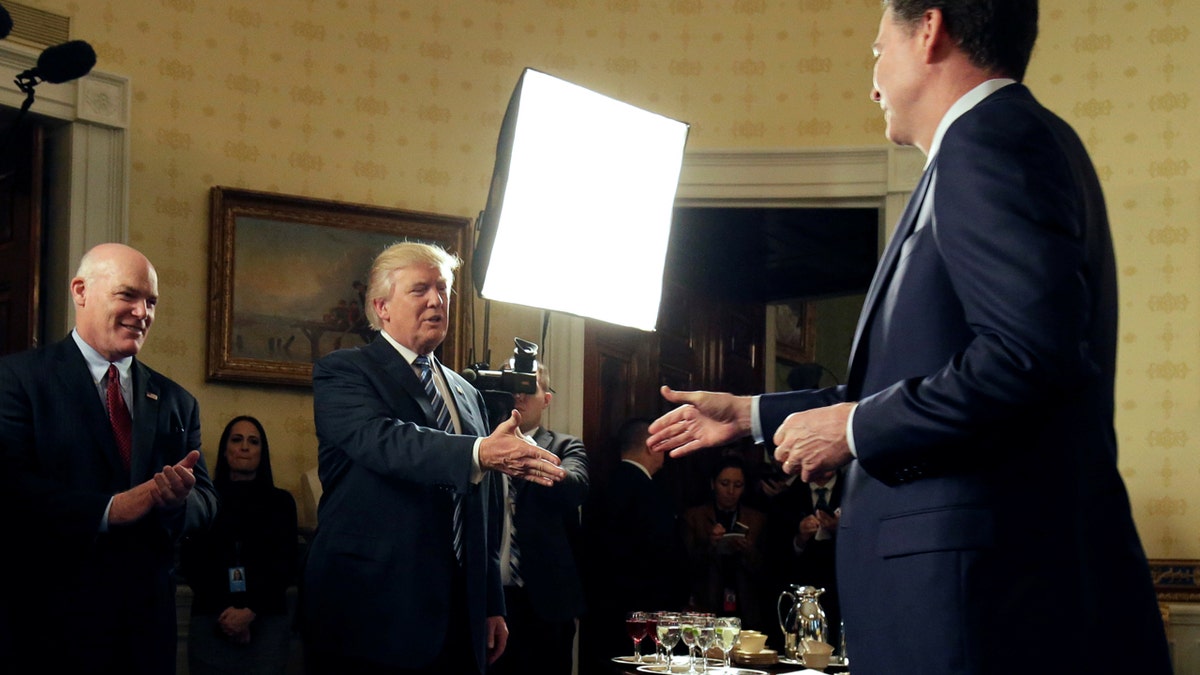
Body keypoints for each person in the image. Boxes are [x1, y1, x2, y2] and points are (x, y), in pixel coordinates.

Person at [646, 2, 1172, 673]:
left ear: (930, 29)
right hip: (986, 593)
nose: (872, 83)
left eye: (875, 52)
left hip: (974, 603)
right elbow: (928, 374)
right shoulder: (1011, 140)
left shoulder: (988, 142)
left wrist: (857, 428)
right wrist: (750, 413)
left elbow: (1026, 357)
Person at [301, 241, 567, 674]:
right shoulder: (345, 372)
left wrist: (489, 602)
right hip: (371, 612)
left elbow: (481, 504)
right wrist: (481, 451)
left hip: (459, 617)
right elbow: (385, 441)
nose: (436, 300)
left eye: (443, 290)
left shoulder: (465, 391)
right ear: (382, 307)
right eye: (419, 289)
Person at [0, 242, 218, 674]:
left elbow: (207, 500)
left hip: (145, 632)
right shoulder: (18, 380)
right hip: (46, 626)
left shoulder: (177, 401)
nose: (143, 313)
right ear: (81, 291)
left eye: (151, 301)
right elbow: (12, 488)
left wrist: (177, 501)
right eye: (128, 296)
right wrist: (111, 509)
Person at [489, 364, 589, 675]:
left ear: (545, 399)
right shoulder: (483, 447)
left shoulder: (565, 445)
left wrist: (526, 450)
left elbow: (575, 489)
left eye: (527, 387)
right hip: (492, 598)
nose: (517, 393)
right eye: (511, 385)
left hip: (547, 600)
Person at [180, 415, 299, 675]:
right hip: (212, 618)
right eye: (237, 439)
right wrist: (228, 614)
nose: (245, 447)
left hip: (266, 620)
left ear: (261, 451)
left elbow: (286, 562)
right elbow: (192, 561)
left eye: (253, 441)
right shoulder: (203, 500)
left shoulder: (281, 503)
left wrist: (249, 611)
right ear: (225, 449)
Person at [580, 418, 687, 671]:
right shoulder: (652, 495)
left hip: (601, 611)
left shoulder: (599, 488)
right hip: (645, 616)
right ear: (652, 446)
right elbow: (665, 557)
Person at [760, 467, 843, 650]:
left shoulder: (853, 494)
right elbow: (774, 558)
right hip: (799, 592)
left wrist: (841, 531)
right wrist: (799, 538)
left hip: (842, 592)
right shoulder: (785, 499)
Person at [680, 455, 765, 626]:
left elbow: (767, 568)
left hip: (745, 604)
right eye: (724, 484)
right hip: (707, 602)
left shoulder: (756, 519)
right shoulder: (695, 517)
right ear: (713, 484)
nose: (731, 491)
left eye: (738, 485)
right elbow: (684, 566)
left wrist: (748, 550)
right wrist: (710, 543)